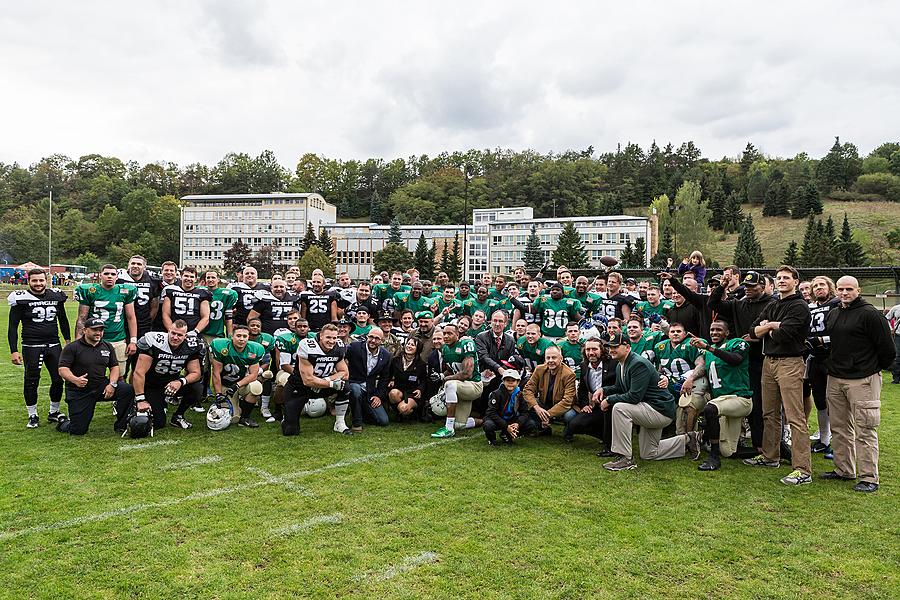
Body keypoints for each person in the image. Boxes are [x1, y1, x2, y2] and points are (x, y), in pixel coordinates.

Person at [822, 276, 895, 493]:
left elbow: (888, 350)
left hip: (863, 379)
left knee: (865, 429)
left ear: (858, 290)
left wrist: (870, 369)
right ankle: (844, 469)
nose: (844, 293)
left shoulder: (871, 315)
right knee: (839, 427)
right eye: (841, 289)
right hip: (835, 378)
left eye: (849, 289)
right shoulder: (834, 313)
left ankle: (869, 477)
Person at [744, 265, 813, 486]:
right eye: (779, 277)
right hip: (769, 362)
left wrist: (770, 327)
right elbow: (753, 331)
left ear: (795, 281)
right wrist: (770, 326)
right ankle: (770, 456)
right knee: (769, 413)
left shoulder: (800, 306)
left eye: (786, 278)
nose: (782, 280)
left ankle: (802, 469)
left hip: (790, 362)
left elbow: (784, 335)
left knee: (795, 417)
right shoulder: (773, 304)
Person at [598, 333, 700, 471]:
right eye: (610, 347)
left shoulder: (637, 363)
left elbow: (634, 396)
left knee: (619, 408)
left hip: (659, 410)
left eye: (615, 346)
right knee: (649, 453)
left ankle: (625, 458)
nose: (611, 350)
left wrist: (609, 400)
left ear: (627, 347)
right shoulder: (621, 364)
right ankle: (689, 439)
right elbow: (619, 387)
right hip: (650, 408)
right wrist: (603, 390)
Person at [708, 270, 775, 456]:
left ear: (763, 286)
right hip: (742, 361)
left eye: (752, 286)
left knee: (766, 405)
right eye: (746, 286)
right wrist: (722, 285)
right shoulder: (739, 304)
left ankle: (768, 444)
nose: (748, 289)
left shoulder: (772, 303)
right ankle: (755, 444)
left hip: (765, 358)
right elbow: (712, 304)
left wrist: (756, 336)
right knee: (750, 403)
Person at [8, 268, 71, 427]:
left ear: (46, 280)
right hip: (31, 345)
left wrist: (68, 341)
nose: (38, 283)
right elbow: (12, 326)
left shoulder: (56, 296)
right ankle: (32, 415)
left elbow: (62, 320)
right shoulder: (20, 299)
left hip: (53, 344)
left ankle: (53, 411)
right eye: (34, 280)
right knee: (31, 381)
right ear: (28, 281)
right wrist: (14, 350)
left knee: (58, 379)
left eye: (41, 280)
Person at [688, 321, 753, 471]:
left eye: (719, 330)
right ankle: (772, 449)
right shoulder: (710, 353)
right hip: (723, 402)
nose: (714, 332)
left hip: (740, 399)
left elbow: (735, 360)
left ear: (727, 333)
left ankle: (713, 458)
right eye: (712, 330)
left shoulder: (736, 343)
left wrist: (708, 348)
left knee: (710, 409)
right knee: (728, 451)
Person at [56, 317, 135, 435]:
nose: (98, 333)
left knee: (127, 390)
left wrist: (112, 385)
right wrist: (75, 380)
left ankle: (121, 425)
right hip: (79, 390)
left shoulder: (107, 346)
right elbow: (62, 369)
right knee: (78, 430)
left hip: (100, 386)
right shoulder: (72, 347)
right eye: (94, 330)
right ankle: (63, 421)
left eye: (101, 330)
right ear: (84, 330)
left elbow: (114, 367)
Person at [121, 320, 204, 431]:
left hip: (172, 384)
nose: (175, 337)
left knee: (196, 388)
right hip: (152, 385)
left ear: (185, 336)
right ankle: (137, 403)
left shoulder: (191, 346)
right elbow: (139, 372)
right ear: (168, 331)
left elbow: (196, 373)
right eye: (173, 333)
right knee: (158, 423)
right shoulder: (154, 341)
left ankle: (178, 416)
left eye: (179, 335)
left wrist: (180, 382)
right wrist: (141, 399)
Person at [281, 323, 351, 436]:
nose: (332, 341)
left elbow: (344, 373)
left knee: (345, 385)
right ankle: (288, 417)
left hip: (322, 384)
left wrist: (326, 380)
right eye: (328, 337)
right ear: (321, 336)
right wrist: (330, 384)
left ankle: (340, 423)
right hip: (299, 387)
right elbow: (308, 380)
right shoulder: (307, 346)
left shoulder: (339, 347)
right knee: (290, 431)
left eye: (334, 337)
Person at [75, 263, 138, 376]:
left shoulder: (125, 291)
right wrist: (78, 341)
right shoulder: (90, 290)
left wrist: (133, 341)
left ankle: (117, 393)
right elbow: (82, 318)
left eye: (113, 274)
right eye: (106, 274)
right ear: (100, 275)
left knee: (120, 375)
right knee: (93, 374)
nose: (110, 276)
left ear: (117, 276)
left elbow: (131, 317)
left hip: (118, 338)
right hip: (94, 339)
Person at [806, 276, 840, 455]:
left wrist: (822, 339)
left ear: (830, 287)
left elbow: (843, 331)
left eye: (822, 285)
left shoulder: (836, 304)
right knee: (820, 400)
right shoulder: (810, 307)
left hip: (832, 357)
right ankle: (824, 440)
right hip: (815, 358)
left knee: (837, 401)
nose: (819, 288)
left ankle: (841, 442)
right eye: (815, 286)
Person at [430, 323, 484, 438]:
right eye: (444, 333)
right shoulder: (445, 349)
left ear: (458, 334)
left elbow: (467, 374)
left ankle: (448, 428)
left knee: (449, 384)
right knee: (459, 425)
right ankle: (483, 421)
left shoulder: (466, 344)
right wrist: (441, 376)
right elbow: (451, 370)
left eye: (450, 333)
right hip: (461, 386)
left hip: (474, 386)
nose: (446, 336)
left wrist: (445, 379)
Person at [208, 325, 266, 428]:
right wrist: (218, 394)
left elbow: (253, 375)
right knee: (233, 419)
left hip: (242, 383)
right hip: (225, 384)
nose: (241, 339)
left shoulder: (254, 349)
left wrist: (236, 386)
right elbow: (216, 372)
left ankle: (245, 417)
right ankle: (236, 408)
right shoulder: (221, 346)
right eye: (238, 336)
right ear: (232, 336)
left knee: (256, 387)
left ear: (248, 337)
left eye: (244, 336)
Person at [564, 337, 617, 449]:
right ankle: (605, 436)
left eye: (594, 349)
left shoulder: (613, 364)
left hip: (613, 405)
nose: (591, 353)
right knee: (574, 425)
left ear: (602, 350)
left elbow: (620, 386)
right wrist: (584, 405)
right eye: (588, 350)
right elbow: (582, 388)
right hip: (597, 407)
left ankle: (610, 442)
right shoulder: (584, 366)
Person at [116, 255, 161, 376]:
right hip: (122, 326)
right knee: (122, 364)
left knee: (139, 365)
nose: (135, 266)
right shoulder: (119, 279)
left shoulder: (152, 280)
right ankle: (122, 390)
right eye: (133, 263)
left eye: (139, 264)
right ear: (128, 265)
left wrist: (146, 322)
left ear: (145, 267)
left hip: (143, 327)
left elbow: (154, 306)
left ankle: (135, 391)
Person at [521, 345, 576, 435]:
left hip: (563, 407)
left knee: (569, 416)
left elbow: (567, 401)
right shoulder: (539, 369)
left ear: (561, 358)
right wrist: (537, 407)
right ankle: (541, 428)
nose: (550, 361)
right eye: (548, 358)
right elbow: (528, 390)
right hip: (544, 403)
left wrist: (547, 415)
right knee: (525, 402)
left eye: (554, 357)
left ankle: (568, 431)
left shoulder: (569, 374)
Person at [345, 327, 392, 431]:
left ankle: (360, 410)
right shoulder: (354, 347)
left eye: (377, 338)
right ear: (367, 336)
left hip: (370, 391)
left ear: (382, 341)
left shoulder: (386, 355)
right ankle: (356, 423)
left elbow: (384, 378)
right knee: (356, 390)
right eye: (371, 337)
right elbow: (341, 357)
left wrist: (378, 396)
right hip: (354, 384)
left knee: (383, 421)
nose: (373, 340)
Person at [387, 337, 428, 420]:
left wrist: (420, 389)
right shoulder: (395, 360)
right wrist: (390, 381)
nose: (409, 346)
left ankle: (409, 413)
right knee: (393, 393)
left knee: (404, 408)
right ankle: (402, 413)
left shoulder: (421, 364)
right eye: (408, 343)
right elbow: (388, 375)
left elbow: (424, 379)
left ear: (418, 349)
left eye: (412, 345)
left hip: (412, 392)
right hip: (398, 389)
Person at [483, 370, 526, 445]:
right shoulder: (496, 394)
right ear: (503, 381)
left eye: (513, 380)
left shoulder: (520, 394)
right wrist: (506, 426)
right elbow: (491, 413)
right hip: (498, 420)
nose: (510, 383)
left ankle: (506, 434)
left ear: (518, 382)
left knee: (530, 424)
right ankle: (492, 439)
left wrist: (517, 424)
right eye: (507, 380)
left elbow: (525, 412)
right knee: (488, 425)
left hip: (511, 419)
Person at [887, 300, 900, 385]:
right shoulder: (896, 308)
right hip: (898, 336)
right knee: (897, 357)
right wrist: (891, 329)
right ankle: (896, 378)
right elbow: (886, 318)